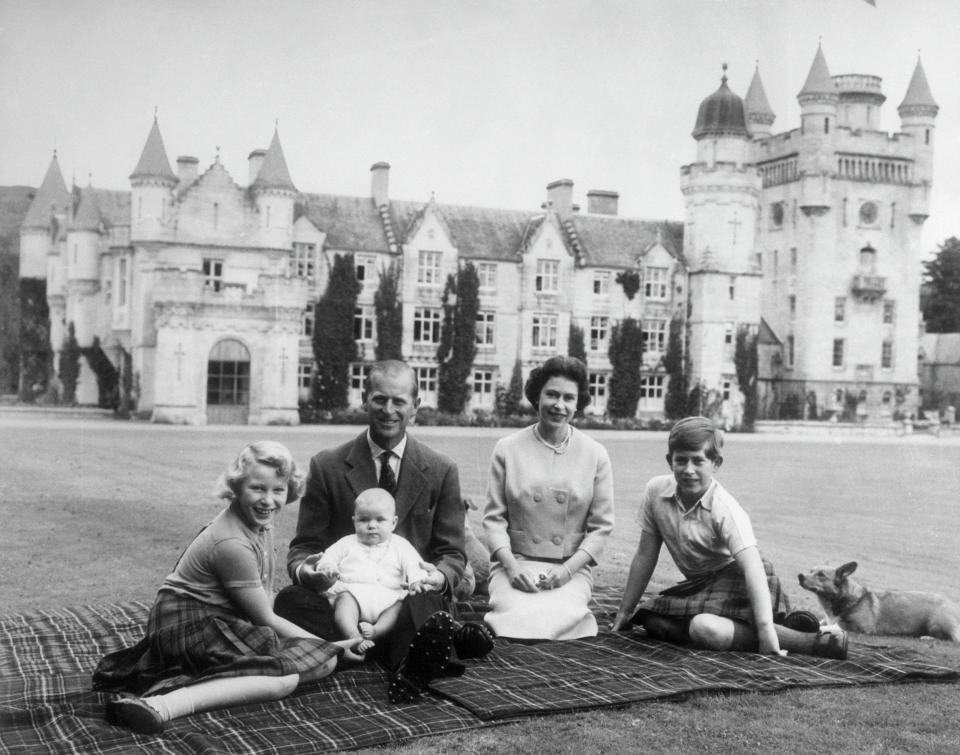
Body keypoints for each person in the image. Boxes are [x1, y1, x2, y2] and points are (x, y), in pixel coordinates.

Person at [93, 441, 363, 734]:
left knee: (320, 664)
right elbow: (265, 618)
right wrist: (330, 645)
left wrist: (319, 648)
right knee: (286, 678)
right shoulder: (231, 543)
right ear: (236, 487)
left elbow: (266, 596)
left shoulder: (261, 525)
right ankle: (161, 704)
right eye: (257, 488)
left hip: (218, 621)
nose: (268, 500)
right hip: (185, 624)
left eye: (278, 490)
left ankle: (209, 678)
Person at [274, 359, 494, 703]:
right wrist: (309, 571)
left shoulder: (441, 469)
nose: (388, 410)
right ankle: (420, 650)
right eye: (379, 399)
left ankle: (379, 652)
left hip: (406, 599)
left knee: (429, 603)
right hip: (343, 599)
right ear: (365, 399)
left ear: (415, 407)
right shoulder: (327, 465)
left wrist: (438, 577)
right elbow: (303, 548)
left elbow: (452, 553)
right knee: (290, 601)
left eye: (399, 401)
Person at [611, 416, 848, 659]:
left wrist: (765, 631)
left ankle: (812, 641)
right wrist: (624, 612)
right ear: (669, 461)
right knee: (650, 620)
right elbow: (645, 555)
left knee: (704, 628)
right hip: (700, 586)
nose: (688, 470)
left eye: (698, 461)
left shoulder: (725, 508)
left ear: (715, 463)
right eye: (681, 461)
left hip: (743, 579)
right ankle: (787, 624)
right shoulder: (655, 491)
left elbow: (753, 568)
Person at [482, 355, 614, 640]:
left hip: (569, 568)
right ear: (536, 396)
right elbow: (493, 520)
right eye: (551, 394)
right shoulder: (507, 449)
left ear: (578, 403)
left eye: (568, 397)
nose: (559, 405)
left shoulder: (595, 454)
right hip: (516, 563)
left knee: (560, 618)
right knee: (517, 616)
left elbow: (601, 528)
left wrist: (568, 570)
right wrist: (512, 566)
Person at [315, 488, 430, 655]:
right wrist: (328, 567)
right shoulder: (347, 543)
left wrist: (416, 580)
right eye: (363, 520)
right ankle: (353, 637)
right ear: (354, 521)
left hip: (388, 597)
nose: (372, 525)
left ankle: (377, 631)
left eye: (380, 520)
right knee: (344, 603)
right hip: (354, 593)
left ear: (393, 522)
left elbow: (414, 564)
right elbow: (329, 557)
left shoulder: (400, 545)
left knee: (398, 607)